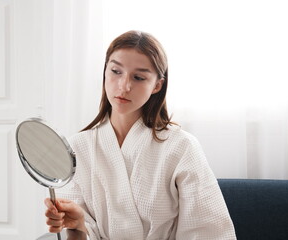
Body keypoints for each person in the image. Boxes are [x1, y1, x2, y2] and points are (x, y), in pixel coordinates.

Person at [44, 30, 236, 239]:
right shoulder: (78, 147)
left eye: (138, 77)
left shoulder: (181, 147)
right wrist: (77, 225)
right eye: (116, 71)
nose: (124, 86)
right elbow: (78, 235)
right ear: (105, 71)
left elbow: (207, 232)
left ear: (157, 85)